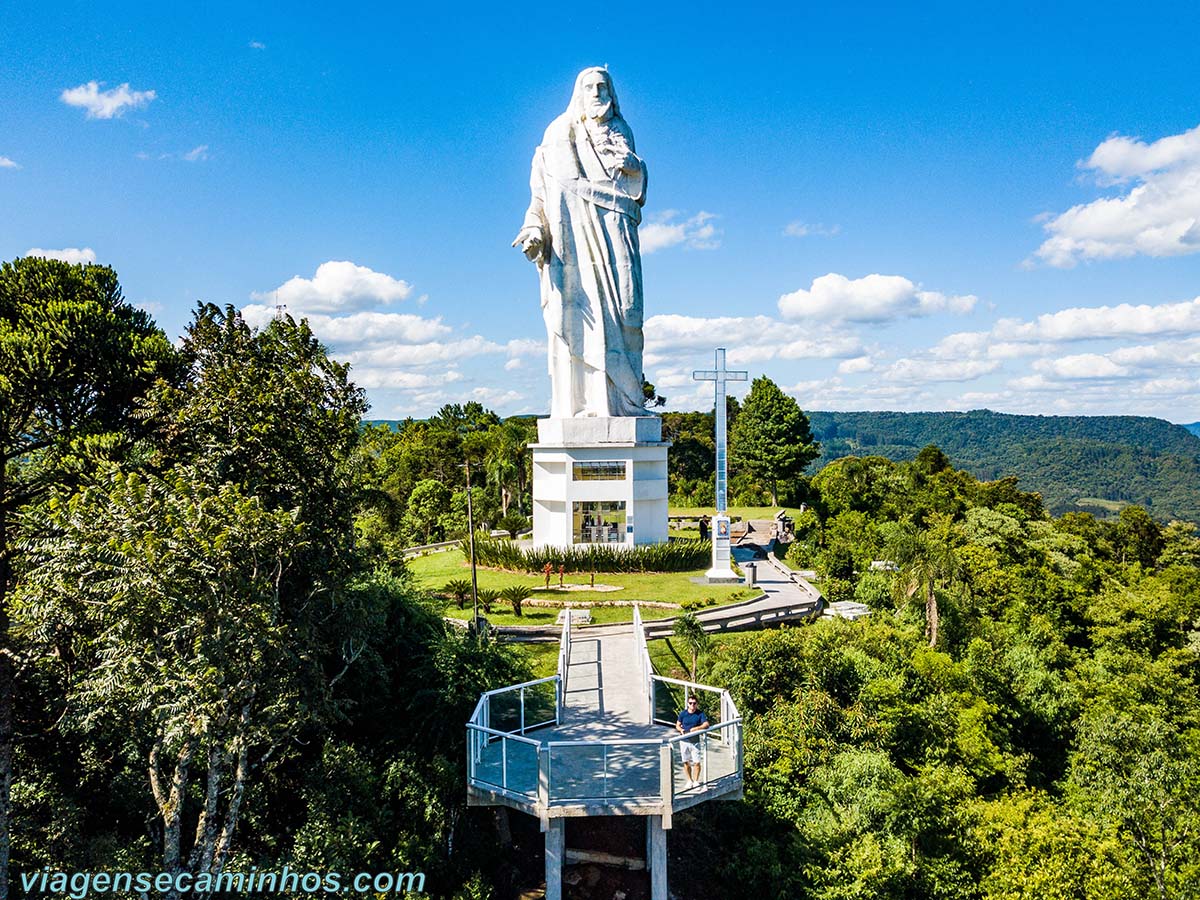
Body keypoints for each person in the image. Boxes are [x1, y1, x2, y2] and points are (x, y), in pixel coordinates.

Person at [513, 67, 647, 419]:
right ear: (578, 94)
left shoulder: (622, 131)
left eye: (604, 86)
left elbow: (633, 192)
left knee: (626, 317)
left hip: (617, 242)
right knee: (579, 321)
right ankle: (583, 405)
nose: (597, 92)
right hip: (573, 247)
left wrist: (634, 166)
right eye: (590, 87)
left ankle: (626, 404)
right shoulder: (558, 134)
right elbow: (540, 196)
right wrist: (535, 231)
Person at [675, 694, 709, 789]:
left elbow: (706, 724)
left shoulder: (700, 714)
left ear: (697, 704)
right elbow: (677, 725)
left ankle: (696, 781)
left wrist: (696, 728)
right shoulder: (683, 714)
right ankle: (689, 780)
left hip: (695, 742)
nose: (692, 705)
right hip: (684, 741)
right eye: (690, 703)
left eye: (694, 703)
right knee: (686, 761)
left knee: (697, 762)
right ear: (687, 704)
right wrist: (680, 730)